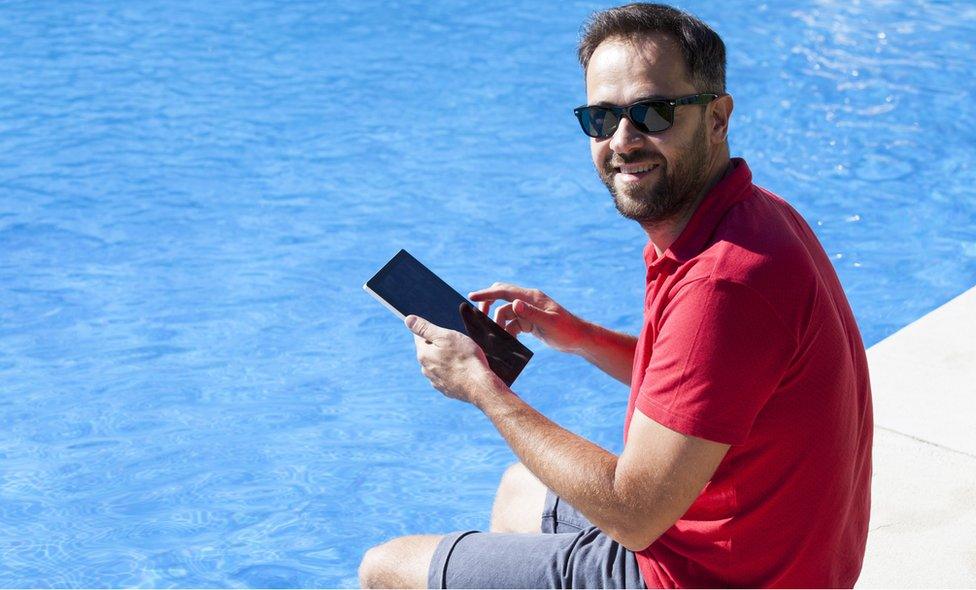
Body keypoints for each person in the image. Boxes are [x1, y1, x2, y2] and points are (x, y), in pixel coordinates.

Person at [358, 2, 873, 588]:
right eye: (602, 118)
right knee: (517, 491)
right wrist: (580, 337)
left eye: (652, 113)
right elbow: (706, 389)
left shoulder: (721, 283)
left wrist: (483, 387)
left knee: (387, 569)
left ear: (717, 117)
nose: (624, 141)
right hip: (769, 554)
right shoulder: (746, 219)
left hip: (713, 574)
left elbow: (635, 513)